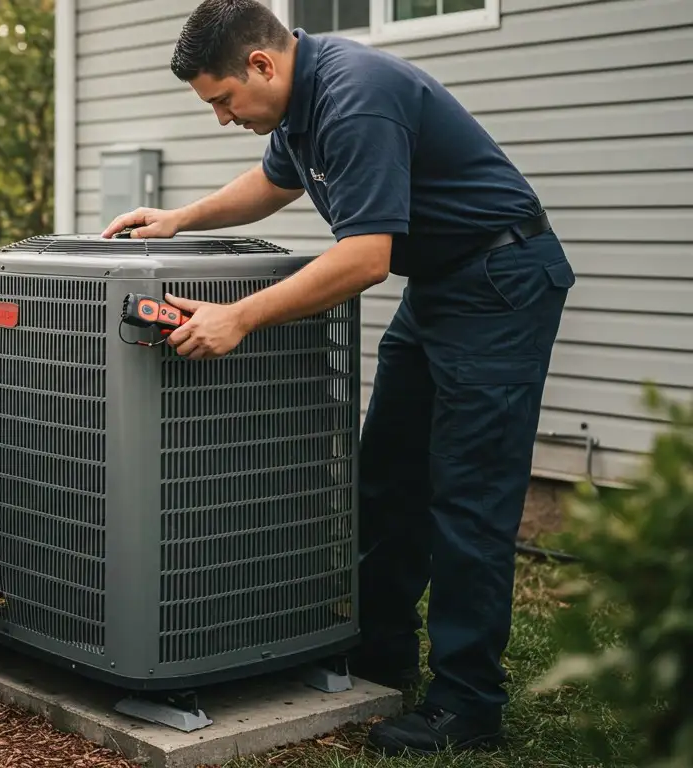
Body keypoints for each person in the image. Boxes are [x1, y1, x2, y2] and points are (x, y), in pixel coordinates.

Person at [101, 0, 574, 756]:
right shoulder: (297, 102)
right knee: (385, 475)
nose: (221, 117)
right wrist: (178, 219)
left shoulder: (356, 97)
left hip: (499, 281)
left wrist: (239, 317)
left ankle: (468, 702)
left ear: (262, 64)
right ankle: (379, 652)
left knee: (468, 495)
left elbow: (364, 260)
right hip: (445, 286)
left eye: (223, 100)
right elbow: (271, 184)